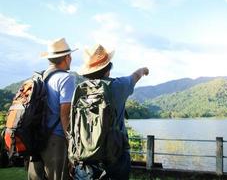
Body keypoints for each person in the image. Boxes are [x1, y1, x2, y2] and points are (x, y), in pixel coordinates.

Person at [74, 44, 149, 180]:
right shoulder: (118, 86)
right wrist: (144, 69)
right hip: (115, 156)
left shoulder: (80, 90)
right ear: (108, 69)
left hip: (85, 155)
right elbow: (135, 75)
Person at [28, 38, 77, 180]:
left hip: (36, 138)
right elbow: (65, 114)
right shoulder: (66, 78)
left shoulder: (40, 77)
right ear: (67, 58)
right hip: (56, 139)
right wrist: (71, 142)